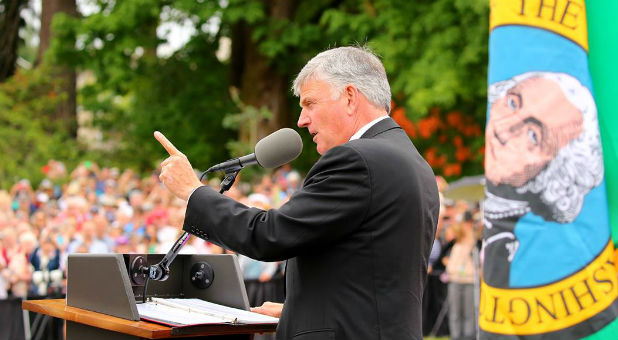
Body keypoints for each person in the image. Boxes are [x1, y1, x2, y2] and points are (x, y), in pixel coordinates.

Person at [154, 46, 439, 340]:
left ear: (350, 98)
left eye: (310, 103)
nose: (302, 120)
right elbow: (372, 276)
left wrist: (193, 192)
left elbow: (270, 235)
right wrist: (301, 311)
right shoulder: (410, 160)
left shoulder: (358, 160)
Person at [482, 71, 605, 288]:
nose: (507, 127)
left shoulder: (538, 252)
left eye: (533, 135)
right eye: (513, 103)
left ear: (554, 169)